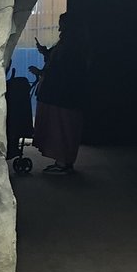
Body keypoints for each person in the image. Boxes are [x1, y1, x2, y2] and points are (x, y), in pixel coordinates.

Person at [30, 11, 89, 174]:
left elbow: (62, 70)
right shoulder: (72, 44)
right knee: (64, 128)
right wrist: (45, 53)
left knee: (61, 127)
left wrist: (42, 73)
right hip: (64, 96)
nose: (59, 27)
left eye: (62, 23)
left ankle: (63, 163)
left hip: (62, 97)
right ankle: (64, 161)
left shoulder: (70, 46)